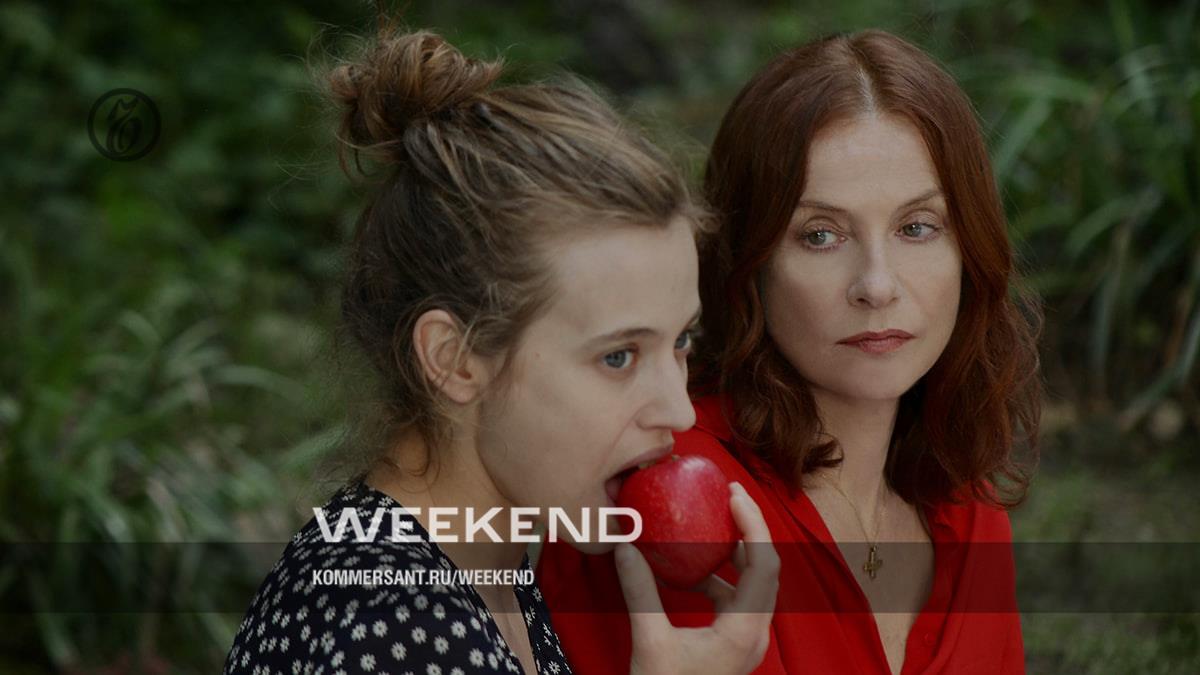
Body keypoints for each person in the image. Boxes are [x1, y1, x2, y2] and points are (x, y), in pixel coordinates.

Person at [222, 16, 780, 675]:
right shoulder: (390, 631)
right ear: (453, 358)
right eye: (619, 356)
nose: (679, 411)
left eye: (681, 340)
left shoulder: (482, 568)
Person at [537, 29, 1041, 675]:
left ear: (969, 247)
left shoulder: (969, 505)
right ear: (751, 263)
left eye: (917, 227)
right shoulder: (672, 491)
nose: (877, 285)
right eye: (821, 235)